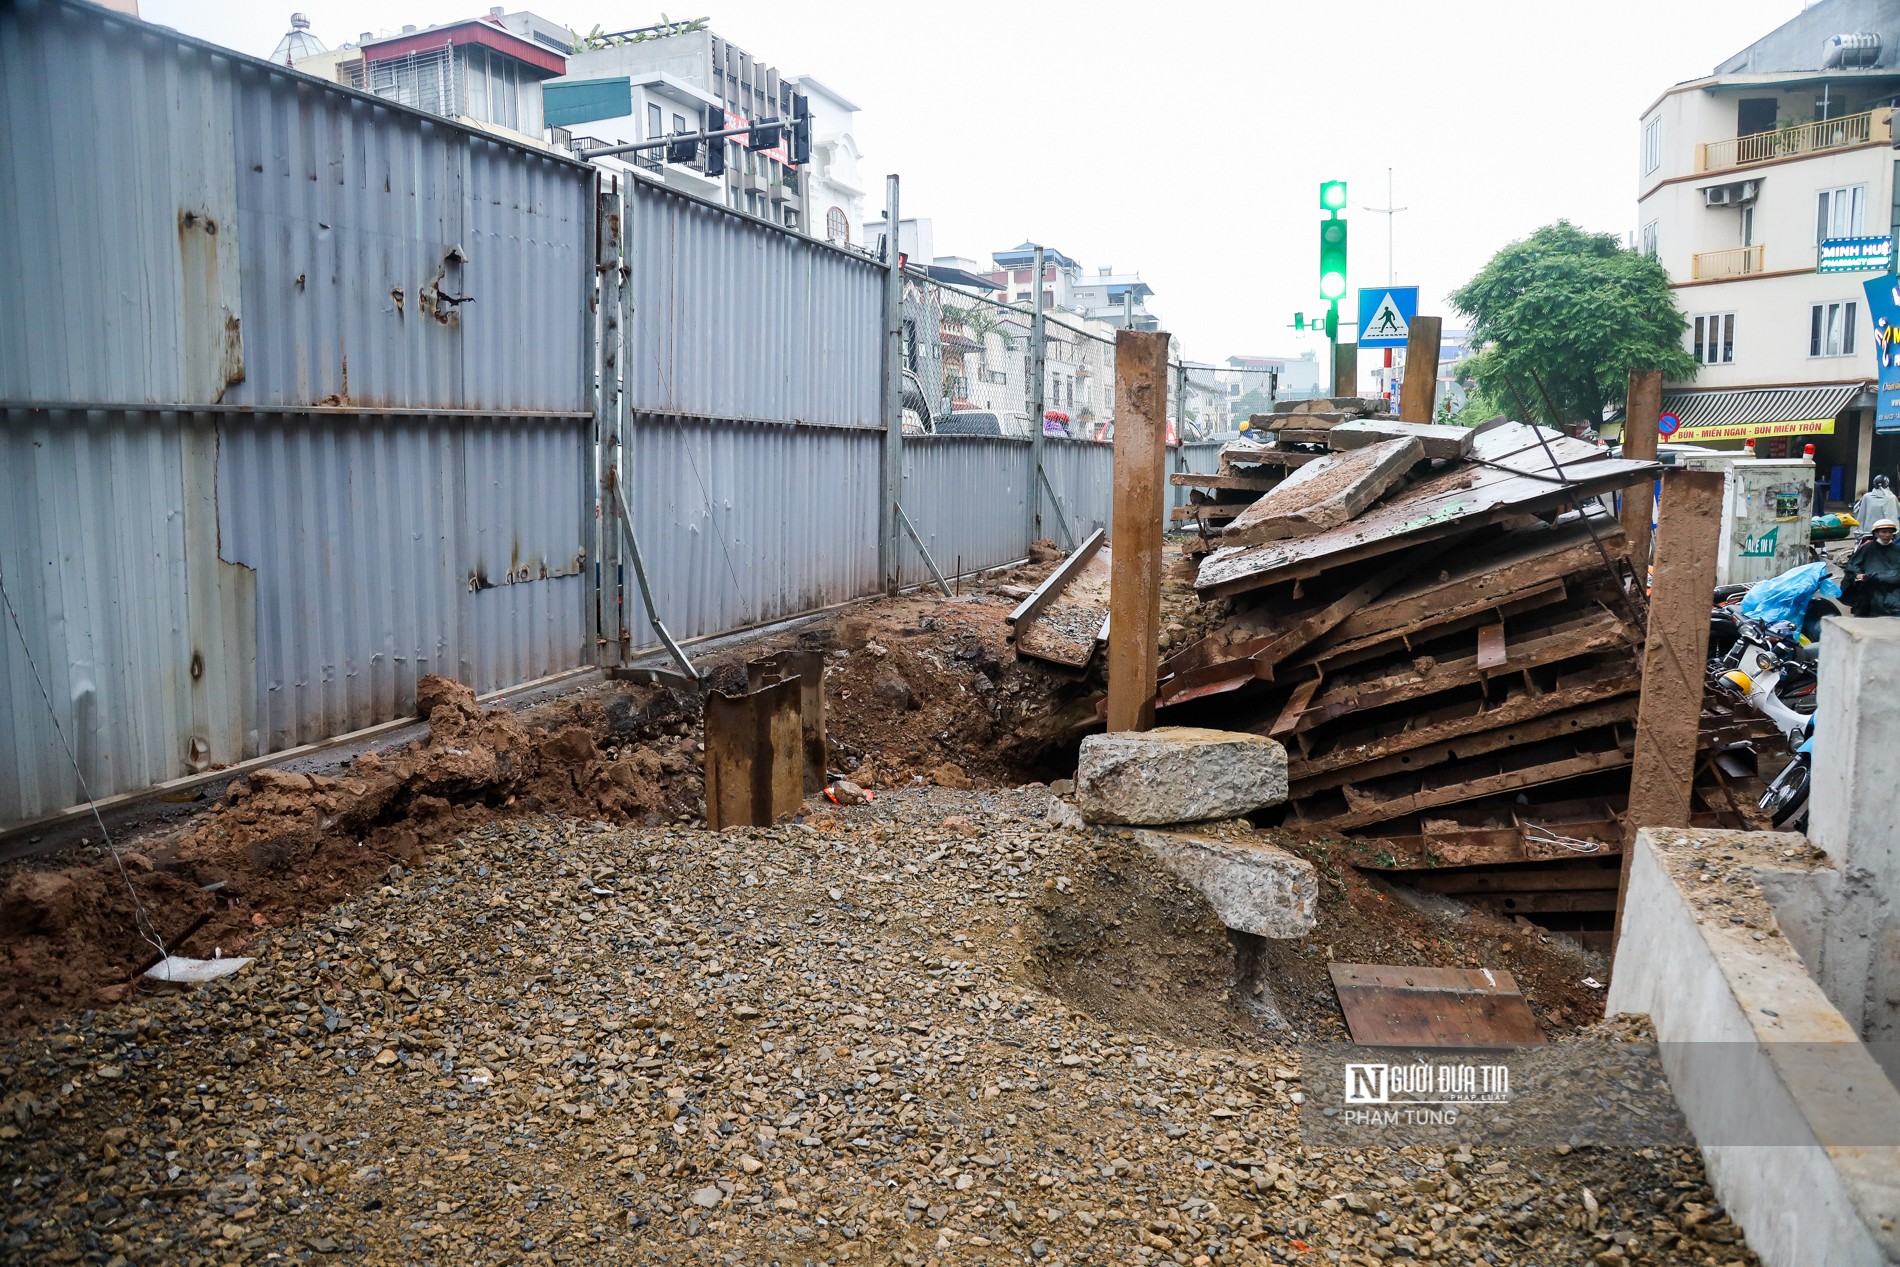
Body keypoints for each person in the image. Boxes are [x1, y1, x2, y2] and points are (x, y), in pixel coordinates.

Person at [1846, 518, 1900, 616]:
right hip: (1871, 589)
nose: (1887, 535)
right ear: (1876, 534)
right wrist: (1858, 575)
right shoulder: (1867, 548)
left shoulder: (1897, 550)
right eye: (1884, 532)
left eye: (1890, 532)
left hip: (1893, 590)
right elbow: (1853, 566)